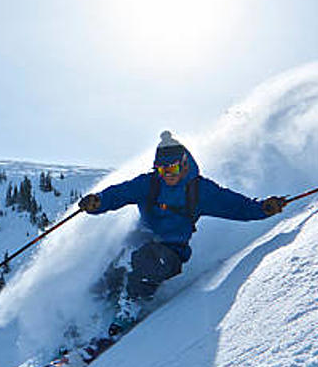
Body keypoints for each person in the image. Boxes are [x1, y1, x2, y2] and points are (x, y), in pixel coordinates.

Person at [79, 131, 286, 335]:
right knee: (117, 264)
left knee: (146, 262)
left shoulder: (200, 190)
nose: (168, 175)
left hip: (170, 251)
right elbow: (119, 193)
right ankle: (87, 314)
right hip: (142, 237)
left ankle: (130, 306)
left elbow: (236, 206)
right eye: (162, 170)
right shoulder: (149, 183)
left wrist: (262, 208)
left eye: (173, 168)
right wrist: (98, 202)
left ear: (184, 164)